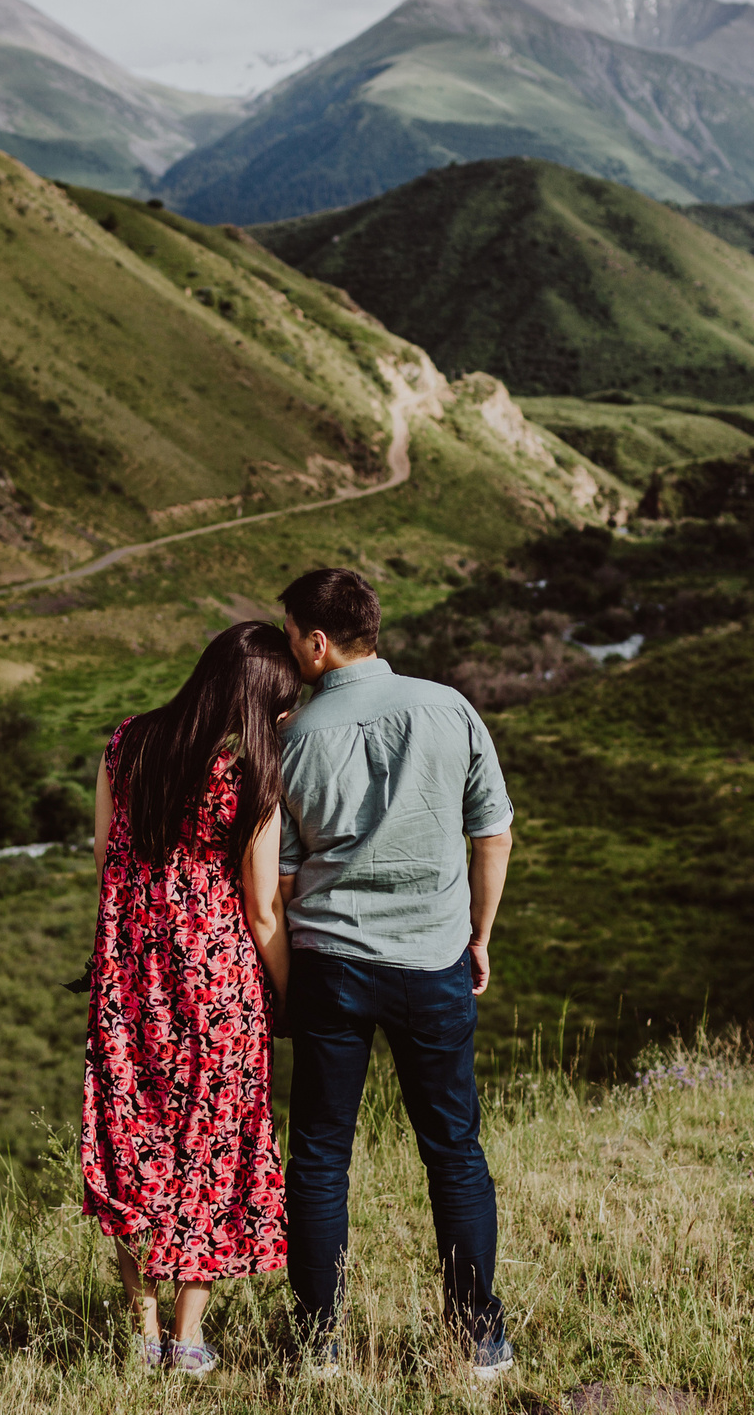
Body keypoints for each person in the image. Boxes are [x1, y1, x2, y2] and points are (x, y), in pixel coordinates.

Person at [273, 566, 516, 1379]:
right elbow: (493, 834)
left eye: (289, 635)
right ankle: (478, 1339)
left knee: (317, 1155)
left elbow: (279, 876)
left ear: (317, 640)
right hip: (432, 959)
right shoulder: (448, 706)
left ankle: (320, 1346)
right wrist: (478, 935)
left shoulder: (295, 738)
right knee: (452, 1150)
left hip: (330, 964)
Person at [79, 621, 301, 1376]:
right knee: (211, 1145)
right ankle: (189, 1335)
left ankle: (142, 1329)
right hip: (217, 984)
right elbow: (264, 906)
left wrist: (124, 944)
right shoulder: (251, 774)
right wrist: (290, 994)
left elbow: (104, 855)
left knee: (133, 1139)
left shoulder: (127, 743)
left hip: (131, 978)